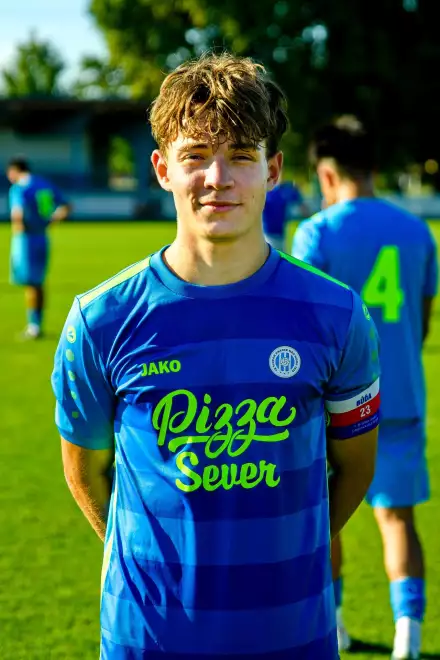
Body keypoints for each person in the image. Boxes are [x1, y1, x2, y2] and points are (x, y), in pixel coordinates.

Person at [52, 54, 380, 660]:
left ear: (273, 170)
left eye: (242, 155)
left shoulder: (337, 314)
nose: (217, 178)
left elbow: (356, 467)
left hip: (291, 636)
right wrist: (145, 563)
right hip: (147, 639)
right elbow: (85, 472)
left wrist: (291, 553)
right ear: (162, 169)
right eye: (196, 155)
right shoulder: (100, 320)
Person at [292, 115, 438, 660]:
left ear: (327, 175)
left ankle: (334, 626)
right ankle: (409, 637)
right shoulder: (418, 230)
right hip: (400, 397)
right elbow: (422, 323)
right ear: (375, 168)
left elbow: (305, 327)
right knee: (398, 519)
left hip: (334, 404)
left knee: (327, 518)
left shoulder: (317, 232)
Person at [6, 157, 70, 339]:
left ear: (15, 170)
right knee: (38, 282)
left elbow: (18, 216)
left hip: (26, 239)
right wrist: (50, 221)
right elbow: (65, 206)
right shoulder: (43, 184)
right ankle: (36, 324)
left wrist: (19, 235)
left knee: (31, 283)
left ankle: (34, 326)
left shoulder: (19, 188)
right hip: (42, 236)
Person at [263, 175, 310, 250]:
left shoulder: (285, 190)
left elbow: (301, 205)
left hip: (281, 236)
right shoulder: (266, 191)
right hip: (268, 235)